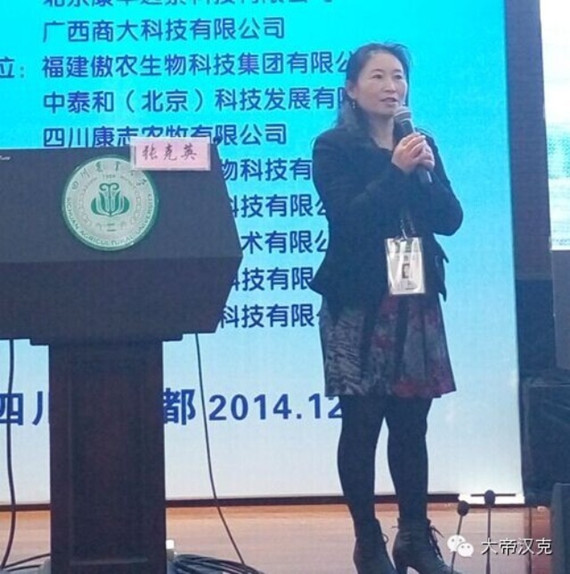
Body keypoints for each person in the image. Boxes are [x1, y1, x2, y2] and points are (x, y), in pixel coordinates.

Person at [310, 42, 463, 574]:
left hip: (414, 300)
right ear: (352, 89)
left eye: (398, 76)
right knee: (362, 423)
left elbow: (450, 220)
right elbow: (349, 220)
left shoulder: (420, 142)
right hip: (358, 302)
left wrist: (424, 173)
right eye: (377, 76)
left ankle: (414, 537)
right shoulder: (334, 146)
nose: (391, 86)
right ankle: (368, 541)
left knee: (412, 425)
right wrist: (395, 171)